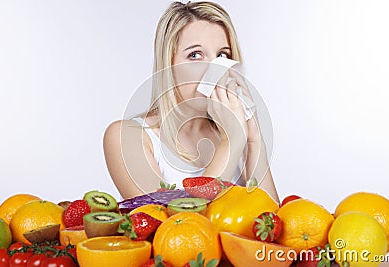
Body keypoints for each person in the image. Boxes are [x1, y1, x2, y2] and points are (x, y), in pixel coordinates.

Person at [103, 1, 279, 202]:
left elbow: (271, 224)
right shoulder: (127, 137)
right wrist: (231, 142)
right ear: (168, 65)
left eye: (222, 55)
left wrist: (254, 141)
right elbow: (174, 226)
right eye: (195, 55)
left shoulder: (237, 132)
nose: (214, 69)